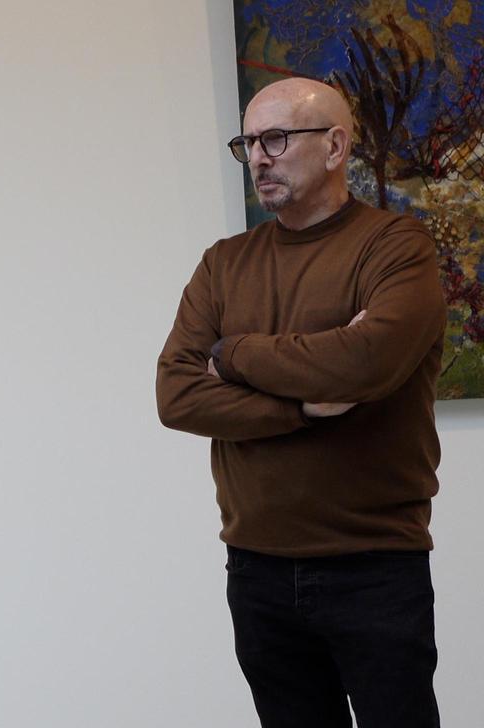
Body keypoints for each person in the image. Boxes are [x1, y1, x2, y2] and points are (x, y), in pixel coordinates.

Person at [157, 77, 447, 727]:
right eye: (248, 144)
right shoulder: (223, 264)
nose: (259, 158)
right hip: (256, 570)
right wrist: (302, 408)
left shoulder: (397, 248)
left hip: (373, 566)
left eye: (277, 139)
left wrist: (233, 354)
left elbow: (364, 363)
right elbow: (176, 395)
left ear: (336, 146)